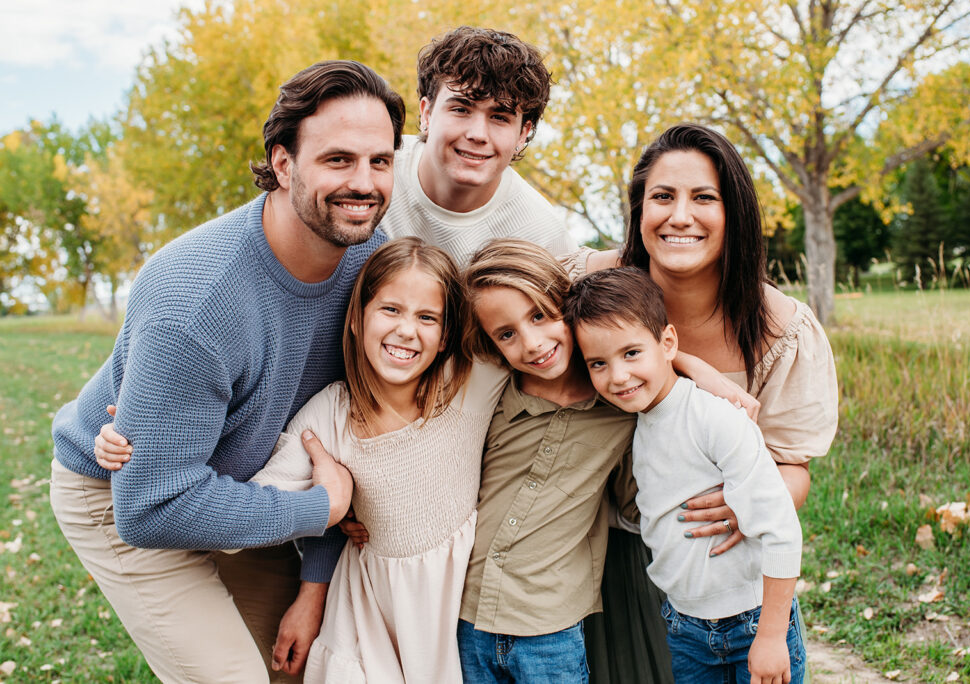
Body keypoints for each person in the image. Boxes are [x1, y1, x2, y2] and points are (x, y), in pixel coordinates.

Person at [49, 60, 405, 683]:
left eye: (380, 161)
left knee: (297, 670)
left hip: (240, 478)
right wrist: (317, 511)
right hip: (123, 493)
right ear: (284, 162)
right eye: (338, 159)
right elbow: (152, 505)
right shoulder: (197, 300)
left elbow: (331, 435)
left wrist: (314, 583)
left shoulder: (370, 265)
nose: (364, 182)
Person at [564, 123, 838, 682]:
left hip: (721, 568)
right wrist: (693, 365)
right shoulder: (589, 287)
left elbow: (793, 465)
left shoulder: (779, 328)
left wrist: (746, 501)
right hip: (598, 554)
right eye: (662, 197)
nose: (680, 216)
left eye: (704, 198)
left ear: (732, 212)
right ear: (639, 210)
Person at [246, 237, 508, 682]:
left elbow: (558, 340)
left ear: (445, 336)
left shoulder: (473, 383)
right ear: (357, 317)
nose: (408, 330)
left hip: (451, 608)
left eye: (427, 317)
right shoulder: (327, 417)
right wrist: (326, 505)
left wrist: (668, 361)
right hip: (365, 609)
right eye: (391, 309)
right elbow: (252, 506)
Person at [564, 266, 805, 684]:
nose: (618, 376)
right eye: (598, 363)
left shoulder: (714, 418)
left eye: (631, 353)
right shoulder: (637, 423)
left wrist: (770, 635)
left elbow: (782, 529)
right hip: (684, 624)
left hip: (751, 621)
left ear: (668, 342)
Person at [455, 240, 636, 682]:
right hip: (465, 616)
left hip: (550, 628)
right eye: (506, 334)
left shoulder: (621, 409)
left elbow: (636, 503)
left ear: (566, 302)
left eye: (539, 315)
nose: (533, 343)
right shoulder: (490, 403)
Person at [379, 26, 577, 265]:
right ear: (427, 113)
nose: (477, 135)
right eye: (461, 109)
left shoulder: (542, 237)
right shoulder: (374, 171)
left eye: (499, 117)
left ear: (522, 134)